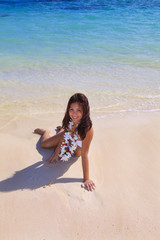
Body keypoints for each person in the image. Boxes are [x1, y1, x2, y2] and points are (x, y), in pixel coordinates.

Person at [34, 93, 95, 191]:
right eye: (71, 109)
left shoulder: (88, 129)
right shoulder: (69, 121)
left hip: (75, 150)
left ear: (85, 111)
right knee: (44, 144)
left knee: (67, 136)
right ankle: (46, 131)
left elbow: (84, 154)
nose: (74, 114)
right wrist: (56, 153)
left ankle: (62, 129)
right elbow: (64, 137)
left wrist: (86, 179)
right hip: (66, 138)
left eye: (78, 110)